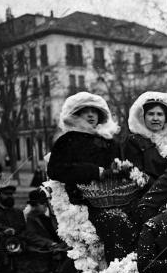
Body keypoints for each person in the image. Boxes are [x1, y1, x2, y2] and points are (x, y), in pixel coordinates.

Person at [47, 92, 136, 262]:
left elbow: (117, 167)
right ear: (75, 115)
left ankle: (129, 267)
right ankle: (115, 270)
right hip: (81, 202)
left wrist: (119, 169)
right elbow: (55, 170)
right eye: (84, 111)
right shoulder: (67, 140)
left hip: (111, 198)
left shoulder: (109, 141)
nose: (90, 115)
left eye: (94, 111)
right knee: (114, 223)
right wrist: (93, 171)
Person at [122, 92, 167, 184]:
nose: (155, 118)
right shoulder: (134, 140)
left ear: (165, 118)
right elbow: (135, 172)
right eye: (150, 114)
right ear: (143, 117)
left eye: (159, 114)